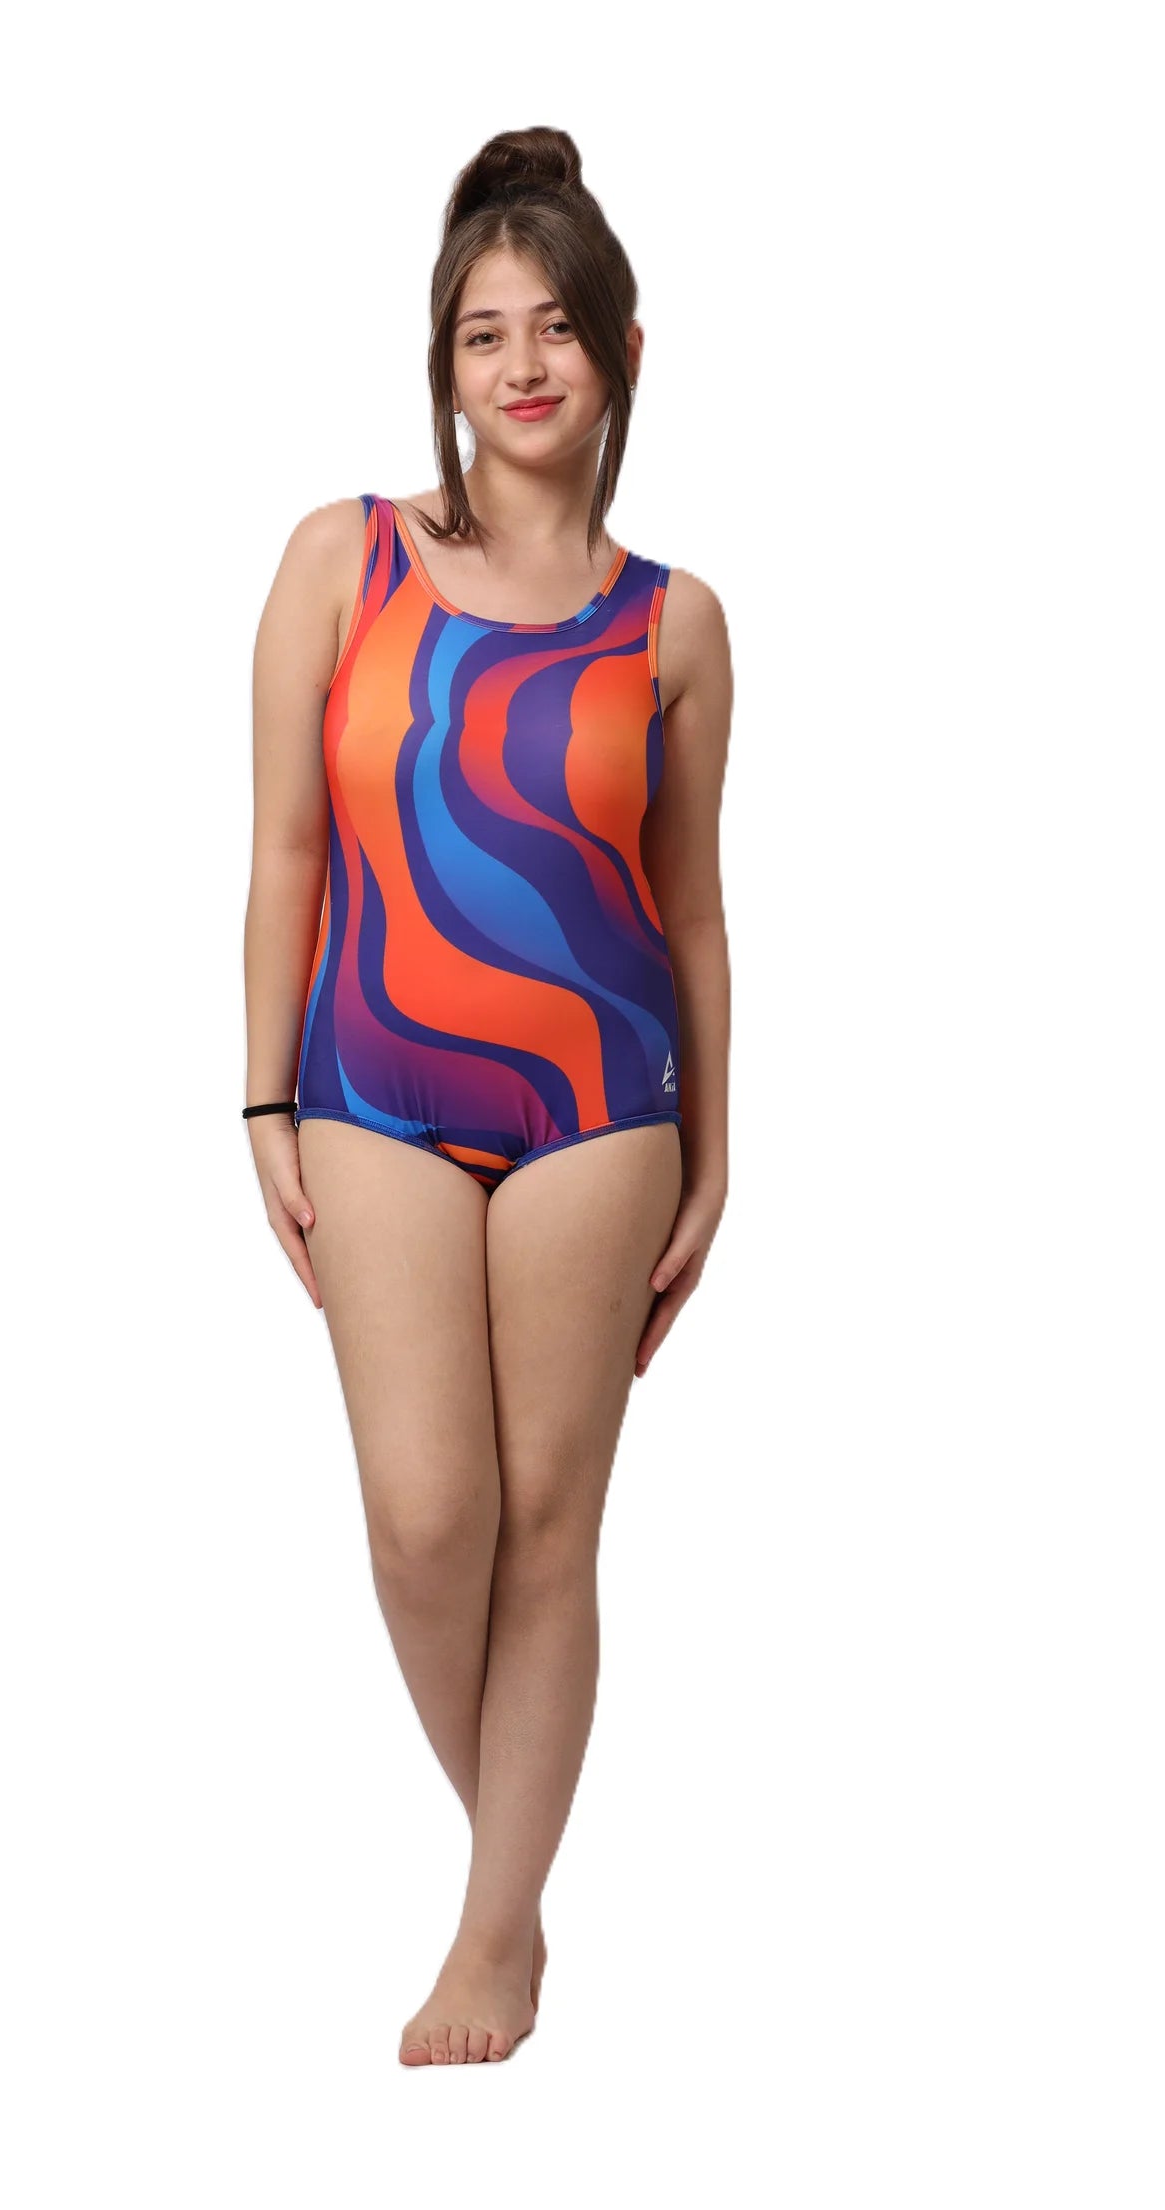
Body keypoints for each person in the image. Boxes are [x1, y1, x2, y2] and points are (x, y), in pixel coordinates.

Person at [241, 124, 732, 2065]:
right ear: (442, 364)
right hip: (366, 1080)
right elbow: (285, 853)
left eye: (556, 328)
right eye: (480, 333)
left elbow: (691, 910)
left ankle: (490, 1937)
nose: (522, 365)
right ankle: (515, 1876)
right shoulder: (340, 558)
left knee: (548, 1525)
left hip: (601, 1100)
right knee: (426, 1519)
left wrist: (719, 1160)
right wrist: (259, 1105)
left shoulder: (675, 624)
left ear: (624, 347)